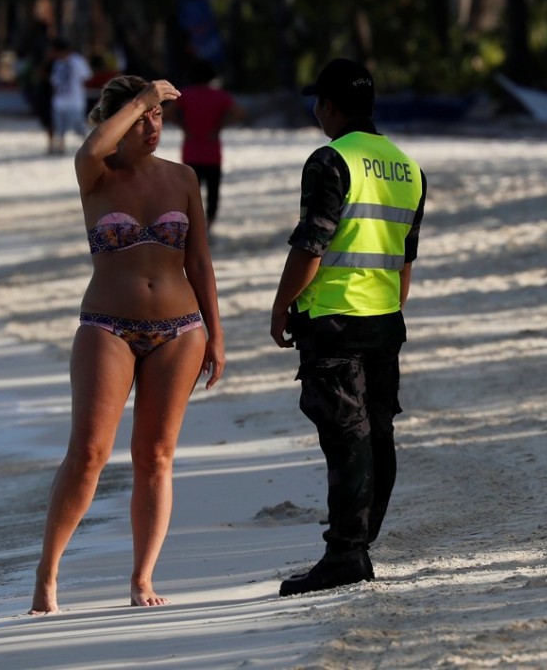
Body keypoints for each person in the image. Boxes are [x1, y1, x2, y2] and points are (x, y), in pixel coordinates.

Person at [29, 75, 225, 613]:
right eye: (141, 117)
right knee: (88, 454)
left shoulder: (183, 177)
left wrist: (216, 333)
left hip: (180, 331)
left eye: (158, 117)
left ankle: (142, 579)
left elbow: (200, 260)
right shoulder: (96, 174)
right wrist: (142, 97)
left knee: (156, 457)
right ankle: (47, 573)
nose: (152, 126)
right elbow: (91, 146)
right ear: (117, 121)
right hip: (106, 327)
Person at [270, 58, 426, 596]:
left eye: (319, 103)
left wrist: (280, 304)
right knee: (376, 434)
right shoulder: (408, 169)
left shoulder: (331, 161)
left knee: (346, 437)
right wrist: (388, 305)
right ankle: (358, 543)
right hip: (384, 320)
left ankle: (346, 554)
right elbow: (405, 261)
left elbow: (311, 244)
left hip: (333, 321)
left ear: (330, 107)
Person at [165, 59, 245, 232]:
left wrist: (183, 126)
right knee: (213, 191)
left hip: (191, 151)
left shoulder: (185, 94)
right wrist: (219, 126)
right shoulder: (219, 95)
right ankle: (209, 224)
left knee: (191, 192)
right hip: (212, 152)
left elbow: (167, 112)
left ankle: (193, 224)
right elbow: (239, 112)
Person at [48, 38, 93, 154]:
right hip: (59, 101)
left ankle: (89, 144)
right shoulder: (57, 63)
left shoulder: (77, 61)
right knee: (60, 127)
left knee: (78, 125)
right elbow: (54, 81)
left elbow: (87, 77)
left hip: (75, 101)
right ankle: (61, 146)